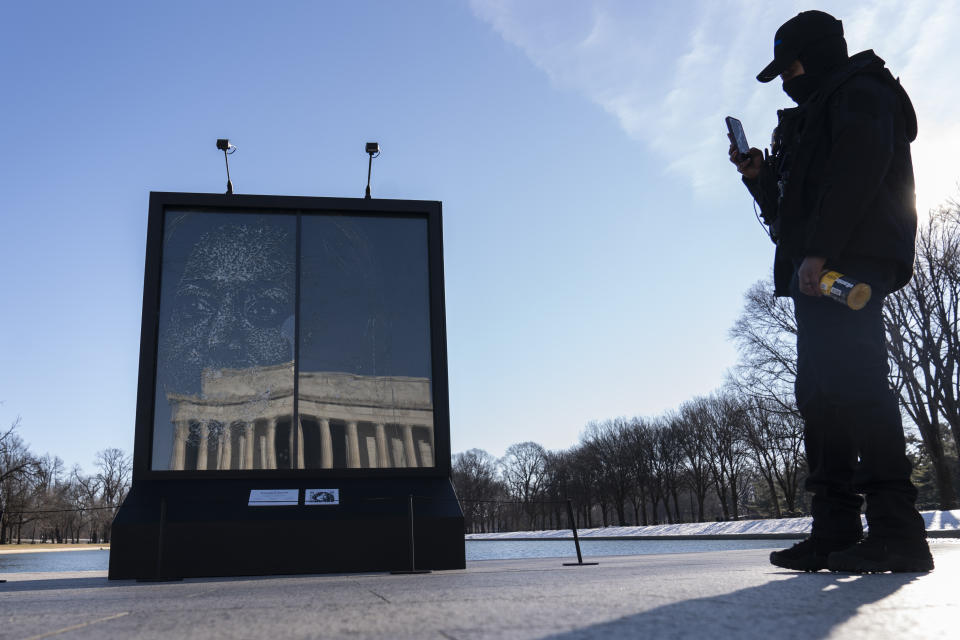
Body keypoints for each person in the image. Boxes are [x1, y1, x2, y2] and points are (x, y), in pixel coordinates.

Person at [728, 10, 933, 573]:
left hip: (849, 261)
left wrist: (818, 253)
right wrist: (758, 179)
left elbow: (858, 172)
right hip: (815, 266)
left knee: (858, 385)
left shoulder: (861, 90)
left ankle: (898, 531)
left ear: (818, 54)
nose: (789, 78)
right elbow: (788, 215)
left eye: (791, 65)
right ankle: (834, 528)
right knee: (819, 396)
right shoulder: (811, 113)